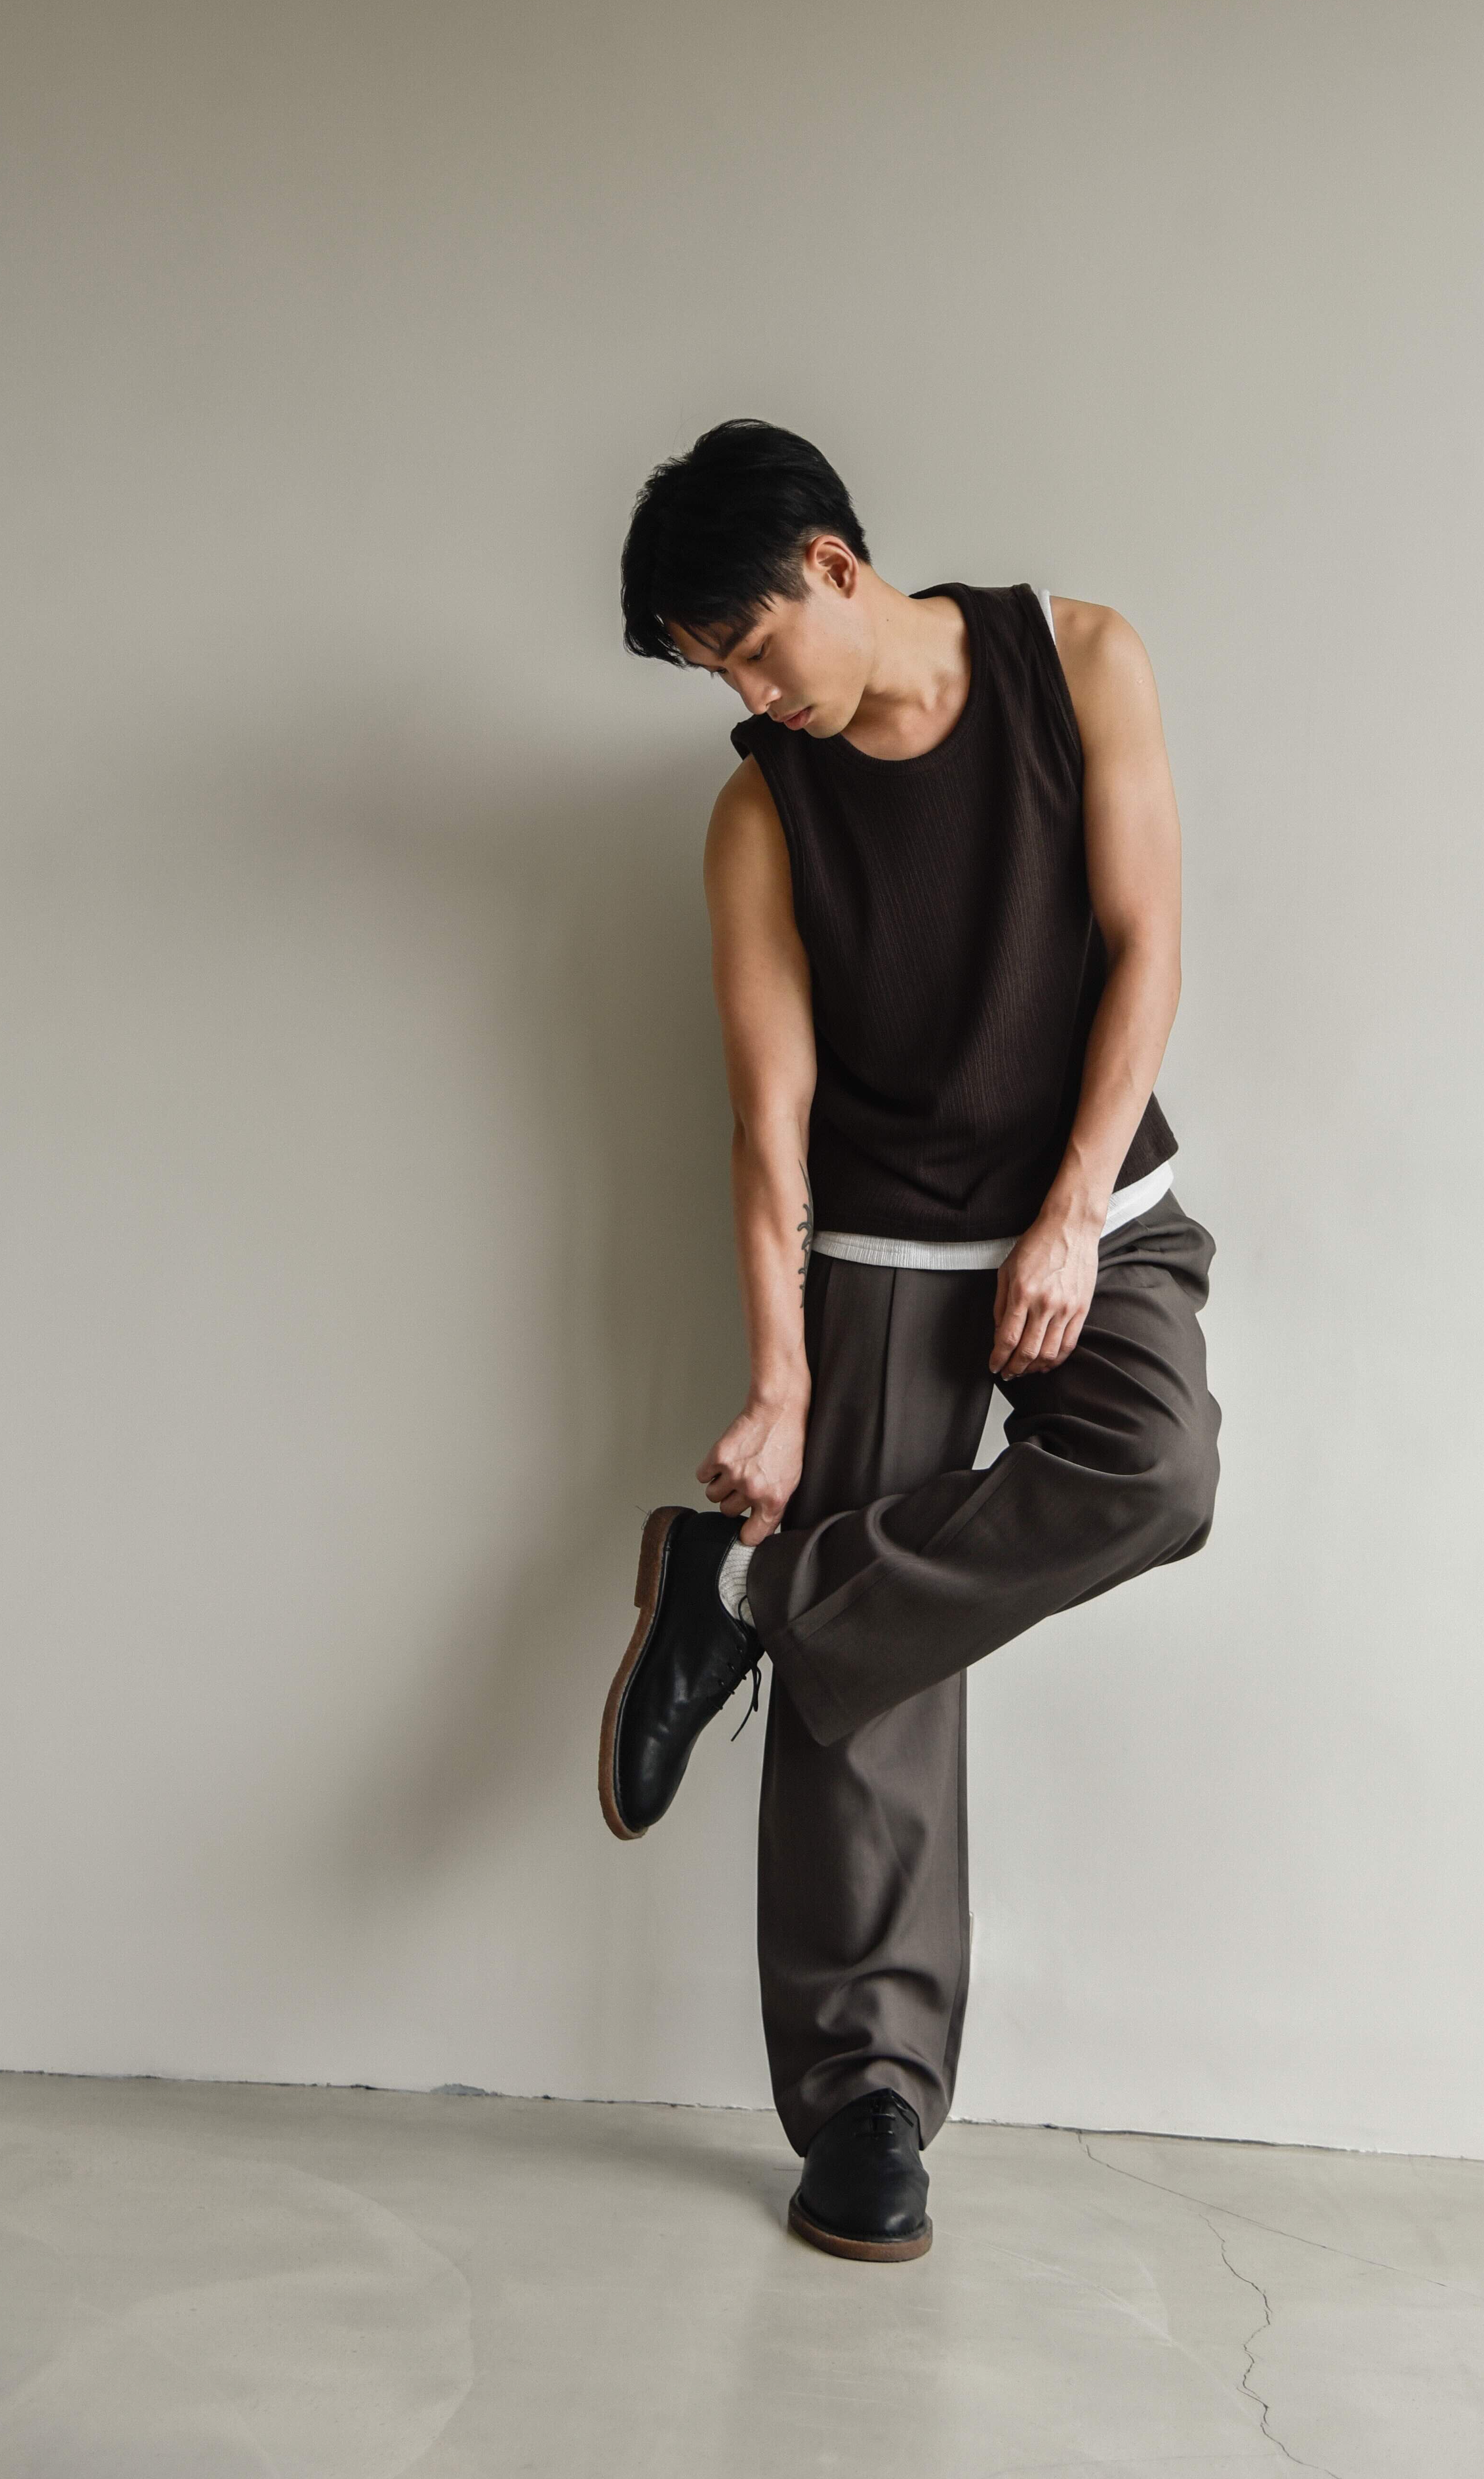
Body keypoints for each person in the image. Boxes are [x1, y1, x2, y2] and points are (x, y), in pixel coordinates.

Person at [601, 420, 1222, 2262]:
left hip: (1091, 1206)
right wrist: (782, 1383)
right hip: (880, 1242)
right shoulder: (758, 814)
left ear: (834, 565)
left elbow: (1148, 945)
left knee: (1157, 1472)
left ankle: (746, 1596)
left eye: (751, 645)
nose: (750, 693)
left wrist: (1070, 1209)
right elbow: (769, 1122)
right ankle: (866, 2101)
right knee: (871, 1692)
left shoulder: (1080, 661)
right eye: (713, 672)